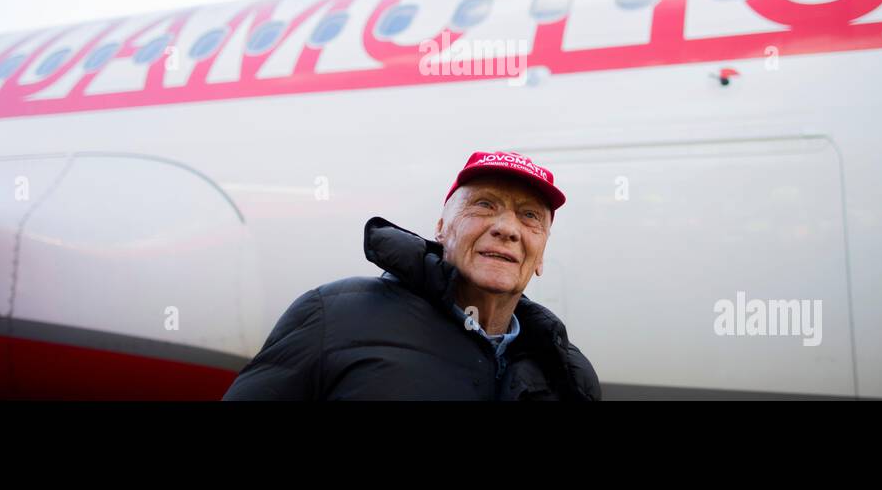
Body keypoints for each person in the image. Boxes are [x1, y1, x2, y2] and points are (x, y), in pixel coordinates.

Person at [222, 150, 601, 400]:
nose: (507, 228)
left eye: (530, 216)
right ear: (441, 229)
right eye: (484, 205)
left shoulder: (570, 373)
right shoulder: (333, 317)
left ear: (541, 253)